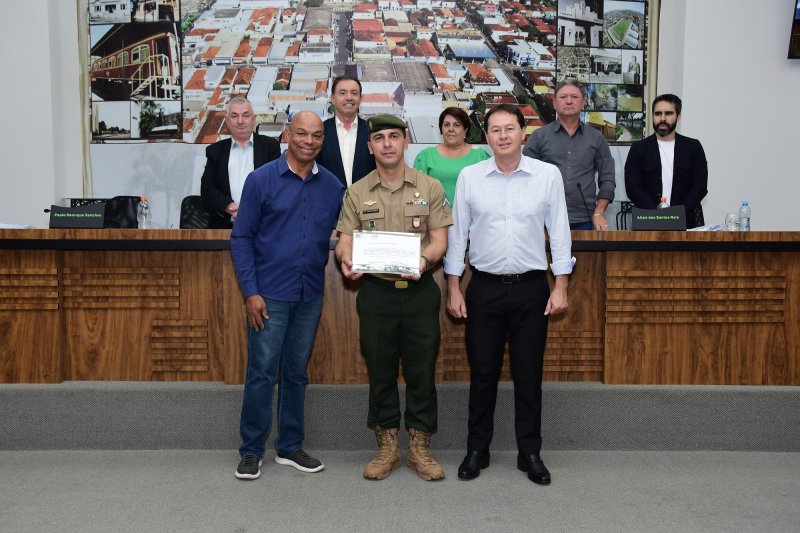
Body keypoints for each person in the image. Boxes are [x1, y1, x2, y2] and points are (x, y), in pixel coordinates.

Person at [444, 104, 574, 485]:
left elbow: (560, 232)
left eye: (510, 129)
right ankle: (477, 450)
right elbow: (458, 236)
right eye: (495, 130)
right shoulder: (470, 177)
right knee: (482, 373)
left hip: (532, 288)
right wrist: (454, 286)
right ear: (486, 137)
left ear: (523, 134)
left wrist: (561, 283)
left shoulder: (546, 176)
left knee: (528, 374)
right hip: (483, 287)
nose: (502, 136)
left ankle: (529, 452)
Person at [335, 114, 452, 482]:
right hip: (377, 294)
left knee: (421, 371)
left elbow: (439, 241)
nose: (387, 143)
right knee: (381, 370)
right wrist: (346, 259)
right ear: (370, 147)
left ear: (405, 143)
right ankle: (387, 446)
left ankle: (419, 446)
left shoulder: (429, 187)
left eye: (394, 137)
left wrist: (423, 260)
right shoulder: (356, 191)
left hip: (419, 293)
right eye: (380, 138)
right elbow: (346, 239)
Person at [230, 111, 344, 480]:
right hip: (269, 295)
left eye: (315, 136)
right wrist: (251, 292)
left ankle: (290, 446)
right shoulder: (260, 181)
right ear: (286, 135)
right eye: (301, 134)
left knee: (296, 373)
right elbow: (242, 238)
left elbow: (347, 234)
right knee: (262, 372)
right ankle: (251, 450)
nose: (308, 141)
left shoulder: (331, 186)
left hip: (309, 293)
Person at [523, 80, 615, 230]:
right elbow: (524, 177)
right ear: (554, 103)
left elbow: (608, 178)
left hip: (584, 219)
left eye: (574, 97)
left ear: (583, 102)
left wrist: (599, 212)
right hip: (544, 219)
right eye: (563, 97)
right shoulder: (538, 137)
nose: (569, 101)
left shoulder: (597, 138)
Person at [624, 93, 708, 229]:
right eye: (658, 114)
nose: (662, 118)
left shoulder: (693, 147)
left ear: (678, 116)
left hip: (686, 222)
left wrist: (677, 215)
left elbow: (700, 187)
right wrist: (658, 216)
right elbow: (632, 188)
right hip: (647, 224)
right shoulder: (638, 149)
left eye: (668, 113)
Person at [200, 97, 282, 229]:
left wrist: (252, 211)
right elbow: (207, 189)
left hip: (263, 228)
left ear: (253, 119)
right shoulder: (215, 151)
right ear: (227, 121)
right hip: (224, 228)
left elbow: (277, 186)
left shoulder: (270, 147)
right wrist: (230, 208)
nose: (240, 121)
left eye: (245, 115)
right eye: (234, 116)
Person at [413, 107, 491, 202]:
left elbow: (490, 192)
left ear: (465, 129)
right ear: (441, 129)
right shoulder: (426, 156)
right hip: (435, 215)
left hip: (472, 216)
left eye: (456, 125)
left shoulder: (480, 156)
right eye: (446, 125)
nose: (451, 129)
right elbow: (416, 194)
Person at [316, 75, 376, 186]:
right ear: (333, 99)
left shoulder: (373, 132)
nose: (349, 97)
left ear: (360, 99)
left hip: (366, 201)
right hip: (330, 201)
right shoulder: (319, 132)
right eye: (342, 93)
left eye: (354, 93)